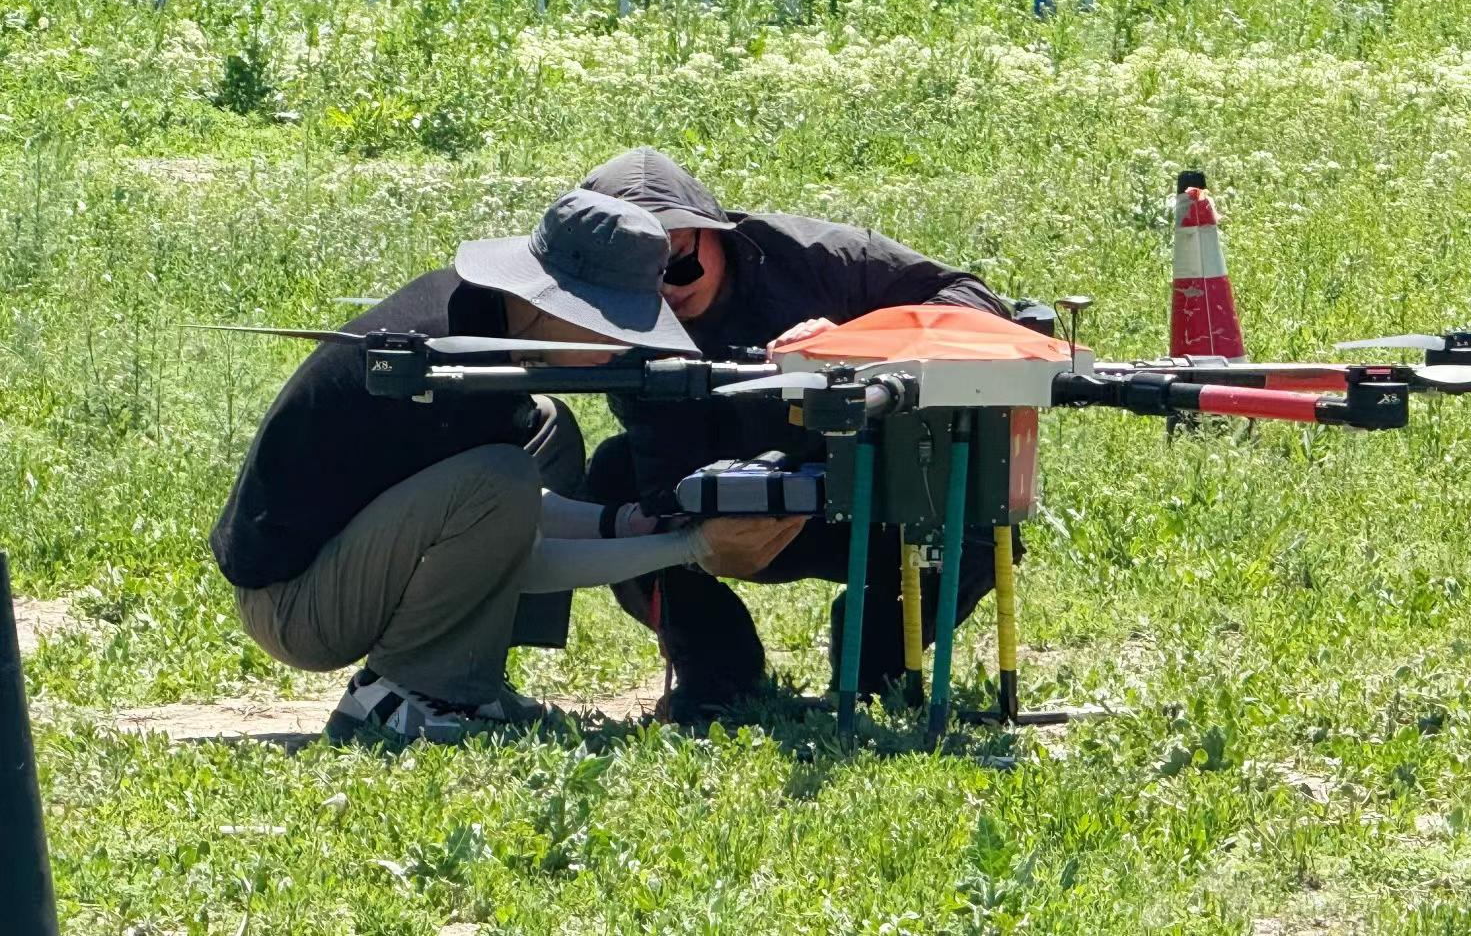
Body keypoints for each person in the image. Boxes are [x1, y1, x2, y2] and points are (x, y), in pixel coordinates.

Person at [209, 189, 804, 744]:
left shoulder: (483, 324)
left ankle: (471, 677)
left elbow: (514, 526)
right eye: (616, 324)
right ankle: (406, 696)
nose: (626, 345)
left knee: (547, 431)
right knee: (502, 479)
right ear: (559, 305)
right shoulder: (447, 369)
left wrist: (628, 524)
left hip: (336, 563)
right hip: (296, 605)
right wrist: (691, 545)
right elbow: (526, 553)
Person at [578, 147, 1019, 719]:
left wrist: (858, 342)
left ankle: (875, 658)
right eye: (634, 280)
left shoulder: (816, 256)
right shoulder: (587, 304)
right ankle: (717, 671)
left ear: (714, 231)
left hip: (861, 491)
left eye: (677, 263)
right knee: (612, 476)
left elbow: (973, 301)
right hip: (695, 502)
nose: (663, 289)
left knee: (977, 512)